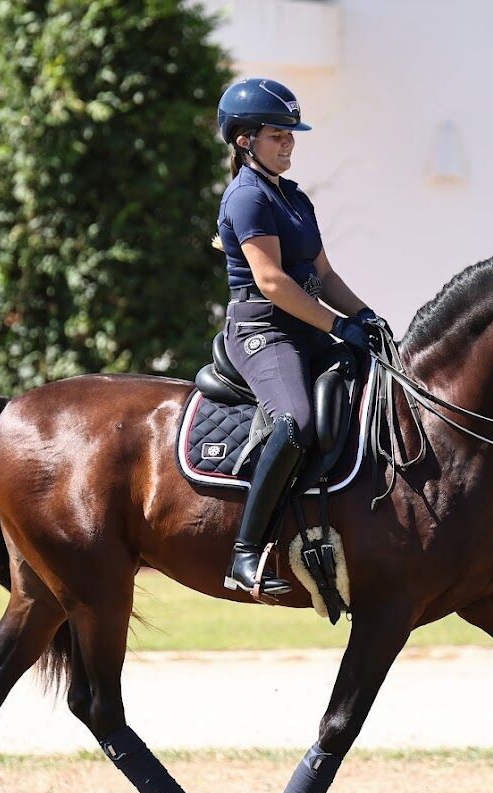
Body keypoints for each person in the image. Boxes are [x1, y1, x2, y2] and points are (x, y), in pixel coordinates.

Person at [215, 77, 381, 598]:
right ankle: (244, 552)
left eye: (291, 135)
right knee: (295, 421)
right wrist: (336, 326)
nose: (288, 143)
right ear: (244, 140)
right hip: (262, 329)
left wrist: (364, 315)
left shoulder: (294, 197)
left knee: (373, 383)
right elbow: (271, 281)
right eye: (276, 135)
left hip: (304, 326)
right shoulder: (246, 198)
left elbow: (324, 274)